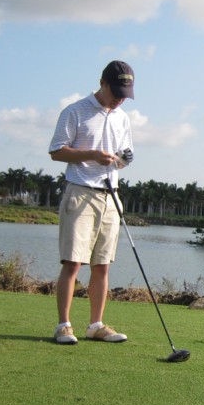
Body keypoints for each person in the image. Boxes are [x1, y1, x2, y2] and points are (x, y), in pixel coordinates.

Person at [49, 60, 136, 345]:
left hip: (110, 195)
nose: (120, 97)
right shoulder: (75, 111)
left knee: (102, 265)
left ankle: (96, 326)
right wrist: (92, 155)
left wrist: (123, 160)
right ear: (102, 83)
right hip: (81, 192)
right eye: (116, 91)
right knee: (73, 263)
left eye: (126, 92)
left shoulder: (123, 118)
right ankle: (64, 326)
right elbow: (57, 151)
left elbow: (124, 157)